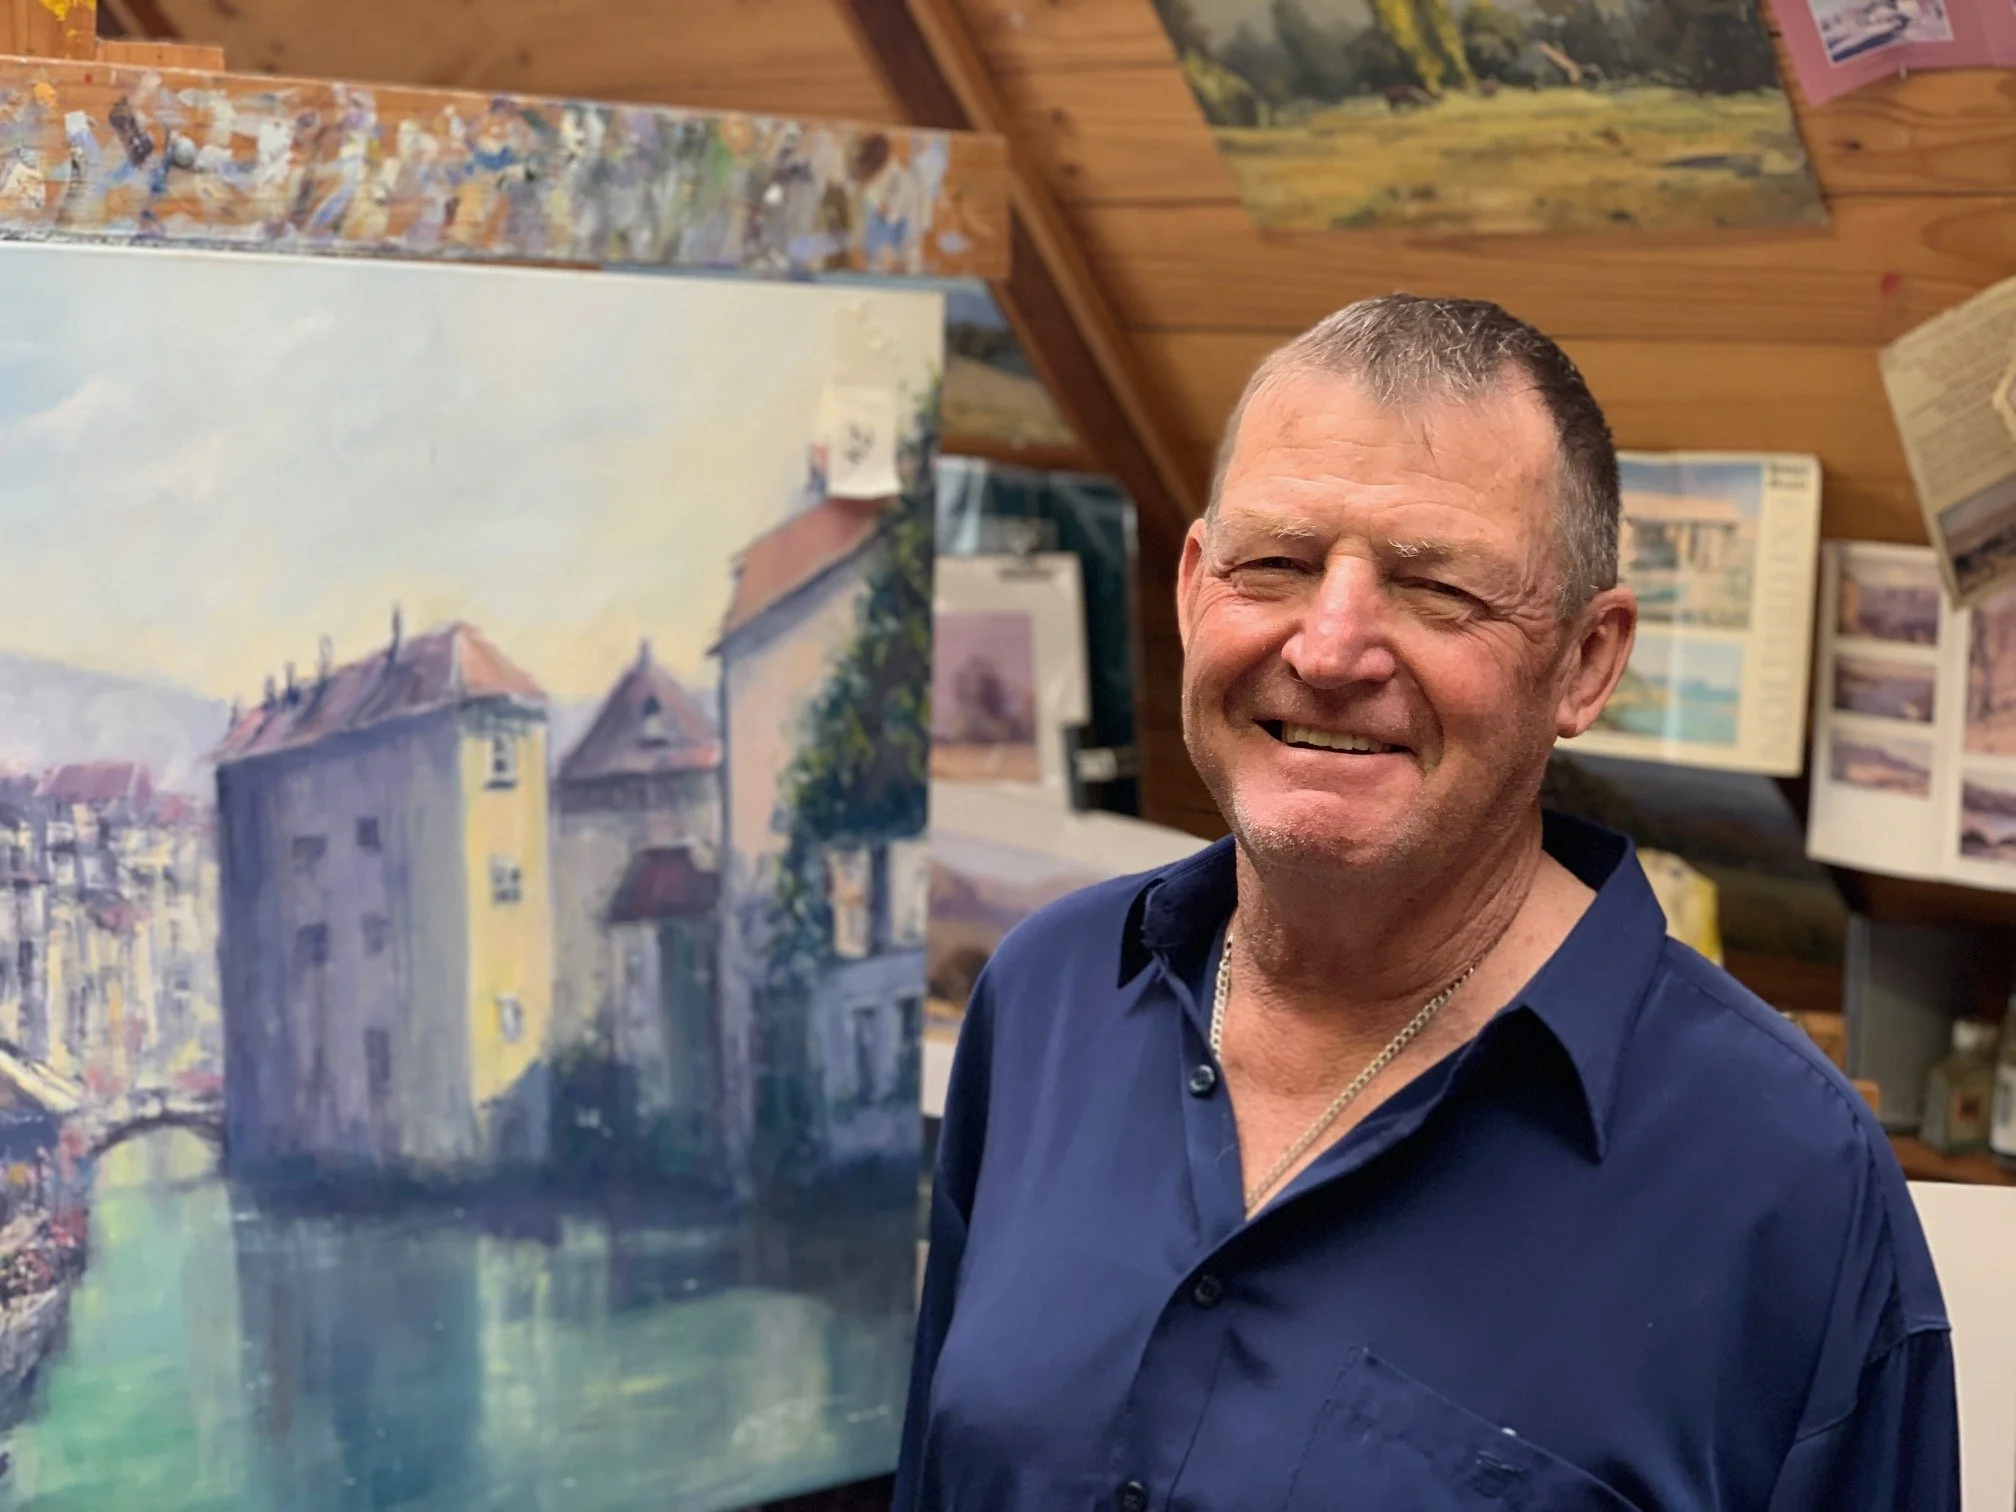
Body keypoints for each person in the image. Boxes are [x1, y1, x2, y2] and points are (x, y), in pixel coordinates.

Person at [895, 295, 1957, 1510]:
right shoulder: (1051, 995)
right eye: (1278, 565)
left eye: (1437, 587)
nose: (1333, 650)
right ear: (1195, 588)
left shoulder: (1789, 1183)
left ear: (1588, 661)